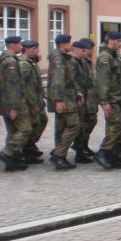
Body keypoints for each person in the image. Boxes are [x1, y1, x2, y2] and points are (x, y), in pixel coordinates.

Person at [94, 31, 121, 170]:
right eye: (118, 41)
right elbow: (103, 81)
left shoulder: (114, 57)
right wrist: (104, 102)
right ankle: (103, 152)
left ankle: (111, 155)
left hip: (117, 97)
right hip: (110, 99)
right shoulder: (105, 57)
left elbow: (118, 79)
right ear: (111, 41)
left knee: (116, 127)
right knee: (116, 125)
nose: (120, 44)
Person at [0, 36, 31, 172]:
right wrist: (15, 106)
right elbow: (13, 85)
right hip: (13, 101)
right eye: (18, 44)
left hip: (5, 101)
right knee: (25, 129)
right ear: (12, 45)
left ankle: (12, 160)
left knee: (13, 131)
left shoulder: (3, 59)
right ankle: (7, 153)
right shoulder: (11, 62)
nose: (20, 47)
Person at [47, 34, 80, 170]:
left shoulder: (62, 56)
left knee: (61, 128)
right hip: (64, 98)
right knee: (74, 125)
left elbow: (68, 78)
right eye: (68, 43)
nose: (70, 45)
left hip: (66, 96)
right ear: (62, 44)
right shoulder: (58, 58)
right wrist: (59, 100)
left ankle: (61, 156)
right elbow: (58, 80)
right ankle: (58, 154)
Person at [19, 40, 47, 165]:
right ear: (27, 49)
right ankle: (26, 149)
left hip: (36, 100)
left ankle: (29, 146)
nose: (37, 51)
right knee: (32, 125)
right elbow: (24, 86)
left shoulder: (31, 62)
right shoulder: (24, 64)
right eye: (35, 49)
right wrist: (30, 104)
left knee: (42, 121)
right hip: (29, 102)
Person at [72, 39, 98, 163]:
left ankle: (83, 146)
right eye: (91, 48)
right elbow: (76, 81)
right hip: (83, 99)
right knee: (83, 125)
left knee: (90, 122)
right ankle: (79, 150)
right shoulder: (77, 62)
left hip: (90, 98)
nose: (93, 51)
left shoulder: (86, 61)